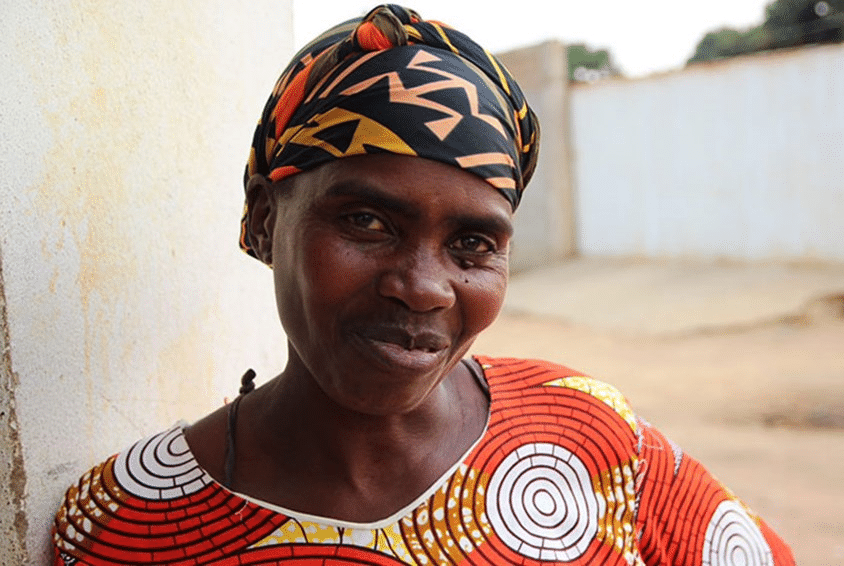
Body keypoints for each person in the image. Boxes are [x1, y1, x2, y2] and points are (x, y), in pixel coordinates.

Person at [52, 5, 795, 565]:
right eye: (369, 222)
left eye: (473, 244)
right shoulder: (125, 521)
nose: (423, 288)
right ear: (262, 220)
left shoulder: (586, 437)